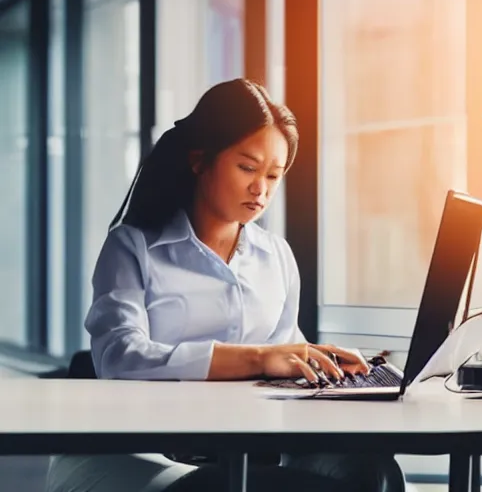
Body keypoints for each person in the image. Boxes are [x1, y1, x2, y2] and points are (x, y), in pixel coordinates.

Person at [46, 79, 405, 492]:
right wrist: (259, 358)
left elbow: (284, 359)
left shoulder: (277, 257)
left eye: (274, 175)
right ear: (200, 160)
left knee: (372, 472)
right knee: (213, 487)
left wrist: (325, 372)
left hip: (237, 448)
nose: (261, 189)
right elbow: (120, 358)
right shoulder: (133, 246)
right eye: (247, 168)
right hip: (134, 450)